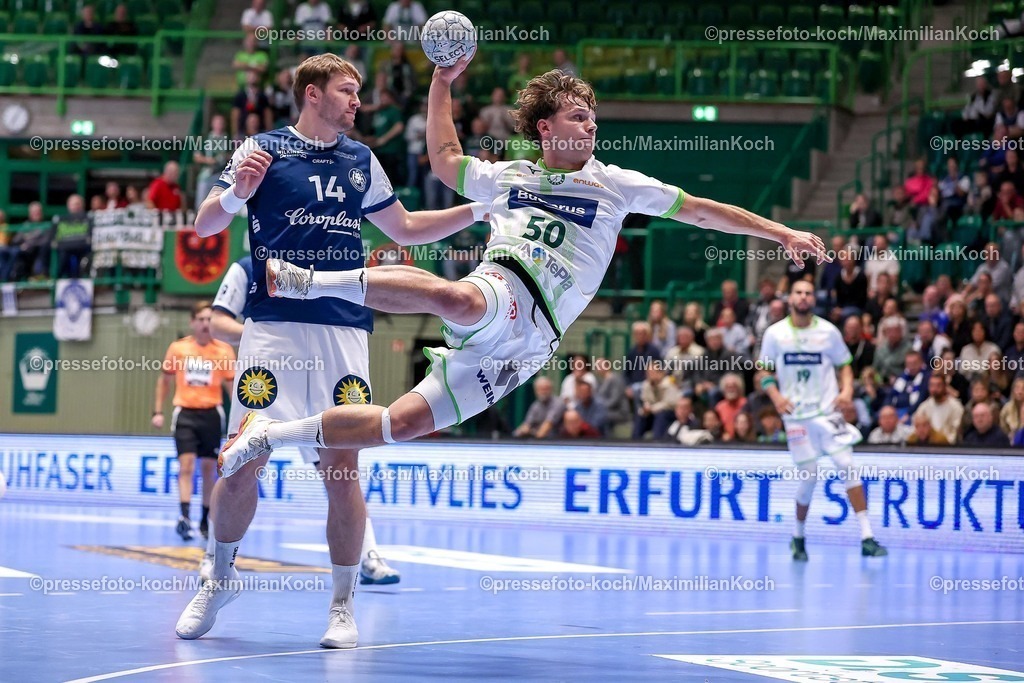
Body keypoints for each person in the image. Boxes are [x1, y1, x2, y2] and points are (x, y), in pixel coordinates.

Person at [226, 58, 825, 536]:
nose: (591, 125)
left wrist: (781, 233)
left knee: (399, 424)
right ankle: (312, 281)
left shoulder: (617, 184)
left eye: (593, 117)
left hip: (533, 343)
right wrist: (442, 82)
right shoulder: (509, 176)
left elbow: (702, 211)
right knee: (462, 301)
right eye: (578, 116)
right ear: (545, 128)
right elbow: (445, 160)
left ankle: (271, 435)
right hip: (505, 287)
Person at [176, 53, 482, 648]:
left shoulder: (361, 159)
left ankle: (343, 605)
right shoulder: (261, 148)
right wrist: (237, 194)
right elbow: (204, 224)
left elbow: (406, 228)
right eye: (346, 91)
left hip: (343, 329)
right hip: (273, 328)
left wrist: (480, 208)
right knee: (240, 460)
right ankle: (219, 577)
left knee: (342, 470)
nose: (357, 101)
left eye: (358, 92)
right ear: (312, 94)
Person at [208, 256, 401, 585]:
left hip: (325, 368)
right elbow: (217, 323)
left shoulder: (339, 259)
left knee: (341, 472)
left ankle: (368, 557)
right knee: (240, 468)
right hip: (275, 362)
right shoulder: (247, 266)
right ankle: (214, 558)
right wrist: (258, 332)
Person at [759, 280, 888, 561]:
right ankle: (798, 536)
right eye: (798, 292)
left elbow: (845, 365)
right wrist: (776, 397)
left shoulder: (829, 331)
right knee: (809, 477)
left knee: (847, 465)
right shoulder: (774, 334)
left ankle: (867, 537)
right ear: (790, 298)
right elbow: (764, 371)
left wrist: (847, 391)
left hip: (828, 412)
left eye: (808, 293)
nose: (803, 297)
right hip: (796, 417)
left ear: (813, 299)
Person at [153, 301, 236, 542]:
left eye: (209, 319)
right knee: (186, 465)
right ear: (192, 322)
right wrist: (157, 411)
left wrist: (241, 418)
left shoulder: (223, 351)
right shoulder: (178, 349)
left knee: (209, 469)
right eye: (201, 319)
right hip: (185, 414)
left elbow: (231, 386)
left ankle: (205, 520)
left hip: (211, 414)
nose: (205, 324)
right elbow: (164, 380)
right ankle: (185, 517)